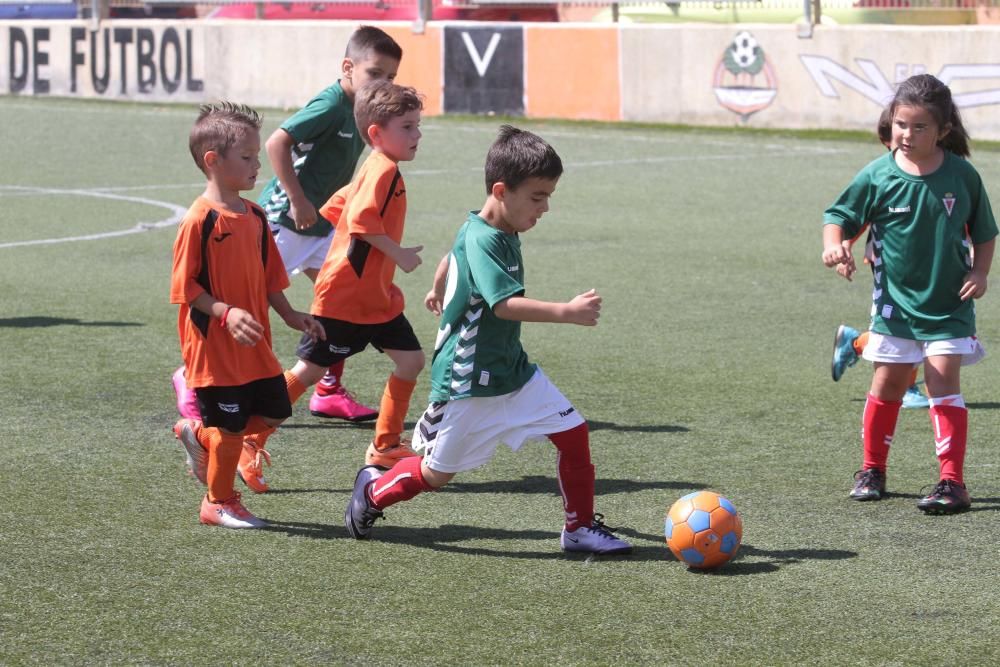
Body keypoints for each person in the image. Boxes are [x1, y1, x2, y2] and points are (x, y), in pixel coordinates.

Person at [344, 125, 633, 555]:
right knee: (437, 475)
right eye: (537, 197)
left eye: (549, 196)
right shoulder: (486, 238)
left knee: (573, 433)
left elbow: (452, 253)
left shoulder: (488, 227)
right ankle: (371, 493)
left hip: (511, 370)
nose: (546, 207)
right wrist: (566, 313)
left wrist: (439, 286)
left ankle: (579, 528)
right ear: (502, 190)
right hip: (470, 381)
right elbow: (503, 306)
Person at [172, 26, 404, 424]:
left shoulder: (361, 111)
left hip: (319, 225)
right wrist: (297, 200)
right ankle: (192, 379)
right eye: (375, 74)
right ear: (348, 68)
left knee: (342, 300)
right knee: (245, 297)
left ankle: (328, 388)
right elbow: (277, 142)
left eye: (390, 77)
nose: (382, 84)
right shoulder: (331, 104)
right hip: (287, 221)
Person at [821, 74, 997, 514]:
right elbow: (839, 215)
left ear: (943, 130)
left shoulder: (961, 175)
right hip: (894, 307)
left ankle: (952, 483)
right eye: (901, 124)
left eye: (920, 127)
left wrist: (980, 271)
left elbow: (986, 231)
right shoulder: (878, 174)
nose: (907, 134)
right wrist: (835, 245)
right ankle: (872, 470)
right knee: (888, 383)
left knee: (942, 383)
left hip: (949, 306)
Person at [241, 80, 427, 476]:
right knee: (308, 371)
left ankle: (386, 445)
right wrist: (398, 254)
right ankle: (249, 438)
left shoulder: (375, 167)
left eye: (417, 125)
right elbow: (359, 221)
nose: (417, 134)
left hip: (374, 299)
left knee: (410, 360)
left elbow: (336, 206)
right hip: (346, 300)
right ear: (376, 134)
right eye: (407, 127)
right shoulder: (383, 170)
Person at [170, 102, 324, 528]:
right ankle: (218, 502)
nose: (259, 165)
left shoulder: (256, 215)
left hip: (255, 346)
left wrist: (291, 314)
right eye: (248, 157)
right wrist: (225, 312)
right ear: (213, 162)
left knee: (275, 410)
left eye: (259, 156)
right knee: (233, 429)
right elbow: (187, 289)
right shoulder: (199, 221)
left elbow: (271, 278)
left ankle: (202, 435)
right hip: (213, 350)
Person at [830, 107, 929, 410]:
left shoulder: (947, 168)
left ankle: (856, 342)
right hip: (892, 262)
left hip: (935, 265)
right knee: (907, 328)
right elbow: (858, 216)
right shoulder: (886, 173)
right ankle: (906, 386)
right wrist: (843, 246)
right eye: (898, 133)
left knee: (922, 326)